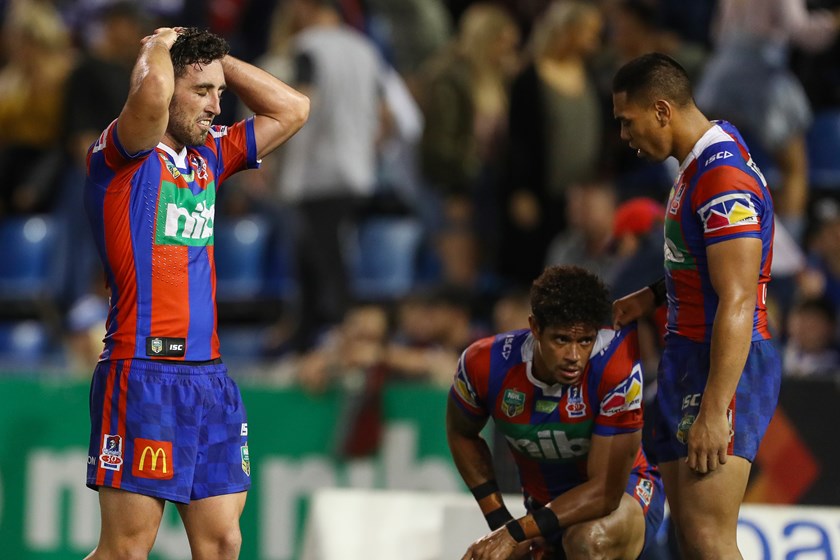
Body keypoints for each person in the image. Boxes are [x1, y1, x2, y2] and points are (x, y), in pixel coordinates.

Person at [83, 27, 309, 559]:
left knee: (223, 541)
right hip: (141, 373)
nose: (215, 105)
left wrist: (217, 62)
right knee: (127, 549)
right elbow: (153, 95)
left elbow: (293, 109)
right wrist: (159, 43)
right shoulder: (124, 154)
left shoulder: (209, 156)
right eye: (202, 92)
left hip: (208, 377)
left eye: (220, 94)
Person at [612, 53, 781, 559]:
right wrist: (655, 295)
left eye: (627, 120)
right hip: (690, 353)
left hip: (722, 361)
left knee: (709, 538)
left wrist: (714, 408)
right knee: (690, 535)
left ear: (662, 110)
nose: (624, 135)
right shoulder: (703, 158)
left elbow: (738, 295)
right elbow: (711, 263)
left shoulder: (721, 179)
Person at [448, 265, 664, 560]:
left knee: (587, 541)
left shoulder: (615, 364)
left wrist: (515, 532)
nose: (574, 357)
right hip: (543, 511)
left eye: (584, 341)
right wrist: (499, 521)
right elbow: (462, 433)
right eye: (561, 339)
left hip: (625, 497)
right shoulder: (482, 364)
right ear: (535, 327)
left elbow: (604, 493)